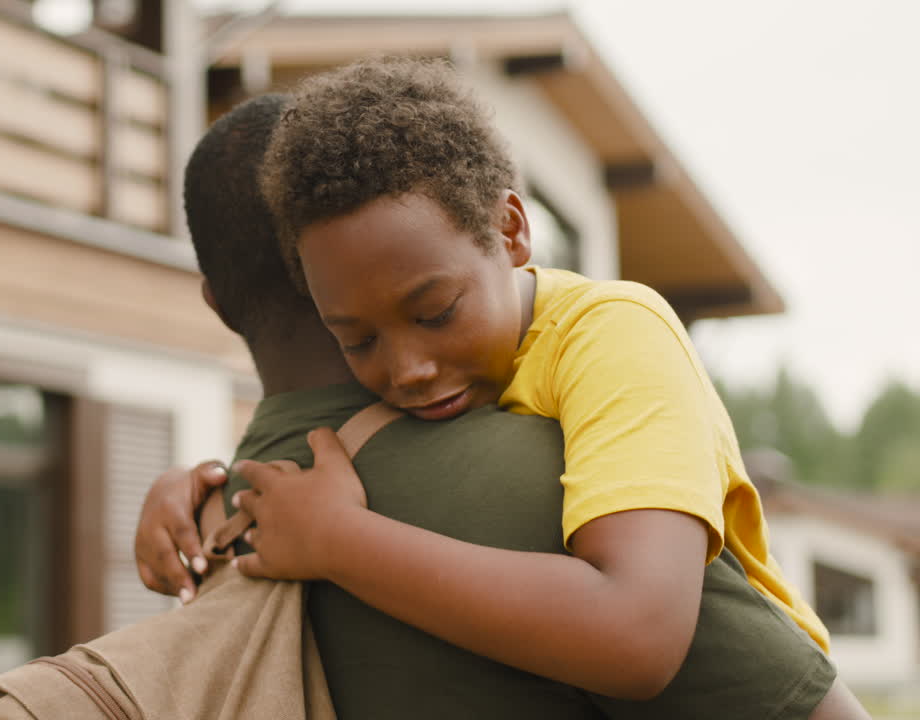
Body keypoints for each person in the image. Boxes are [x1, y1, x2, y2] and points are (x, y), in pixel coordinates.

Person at [135, 92, 866, 717]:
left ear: (512, 231)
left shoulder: (611, 336)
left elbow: (640, 634)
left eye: (435, 311)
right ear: (321, 300)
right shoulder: (328, 462)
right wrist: (198, 485)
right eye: (354, 338)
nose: (409, 370)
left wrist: (342, 542)